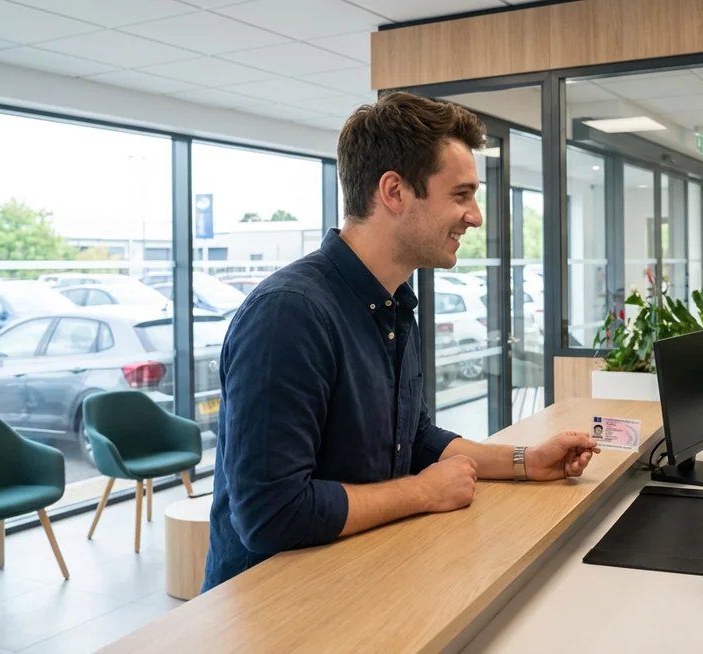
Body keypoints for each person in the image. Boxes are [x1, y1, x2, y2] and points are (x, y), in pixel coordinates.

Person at [201, 92, 601, 591]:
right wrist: (420, 493)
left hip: (360, 580)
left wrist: (525, 461)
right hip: (273, 605)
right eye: (460, 195)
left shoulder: (394, 302)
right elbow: (270, 514)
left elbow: (412, 438)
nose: (475, 217)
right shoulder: (290, 314)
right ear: (394, 191)